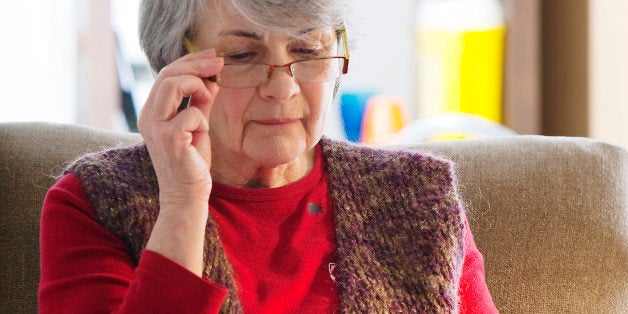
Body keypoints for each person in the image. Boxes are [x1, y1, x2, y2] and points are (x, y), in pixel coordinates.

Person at [39, 0, 497, 312]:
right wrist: (182, 203)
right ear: (173, 66)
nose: (282, 88)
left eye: (307, 50)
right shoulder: (94, 202)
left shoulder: (419, 197)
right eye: (241, 55)